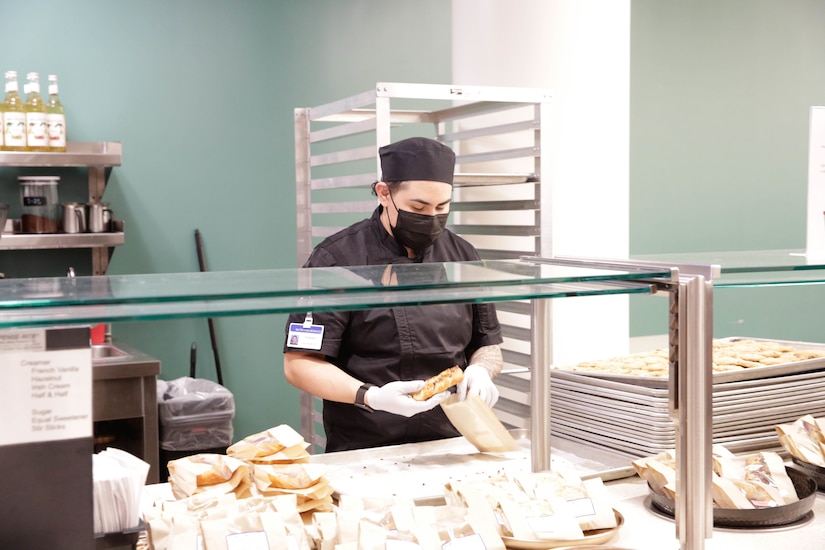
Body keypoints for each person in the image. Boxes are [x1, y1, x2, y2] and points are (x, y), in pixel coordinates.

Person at [283, 137, 504, 452]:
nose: (431, 217)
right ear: (384, 192)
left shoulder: (463, 256)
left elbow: (488, 345)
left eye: (442, 207)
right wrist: (369, 395)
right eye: (418, 206)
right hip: (365, 444)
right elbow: (298, 363)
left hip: (452, 441)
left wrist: (481, 370)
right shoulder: (336, 259)